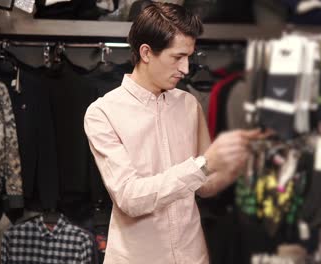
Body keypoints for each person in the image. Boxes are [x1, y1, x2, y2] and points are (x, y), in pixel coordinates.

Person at [84, 2, 261, 263]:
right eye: (177, 57)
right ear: (146, 52)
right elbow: (130, 197)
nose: (186, 69)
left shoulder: (189, 104)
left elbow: (204, 186)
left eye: (189, 57)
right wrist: (204, 164)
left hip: (193, 255)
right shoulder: (103, 113)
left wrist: (236, 162)